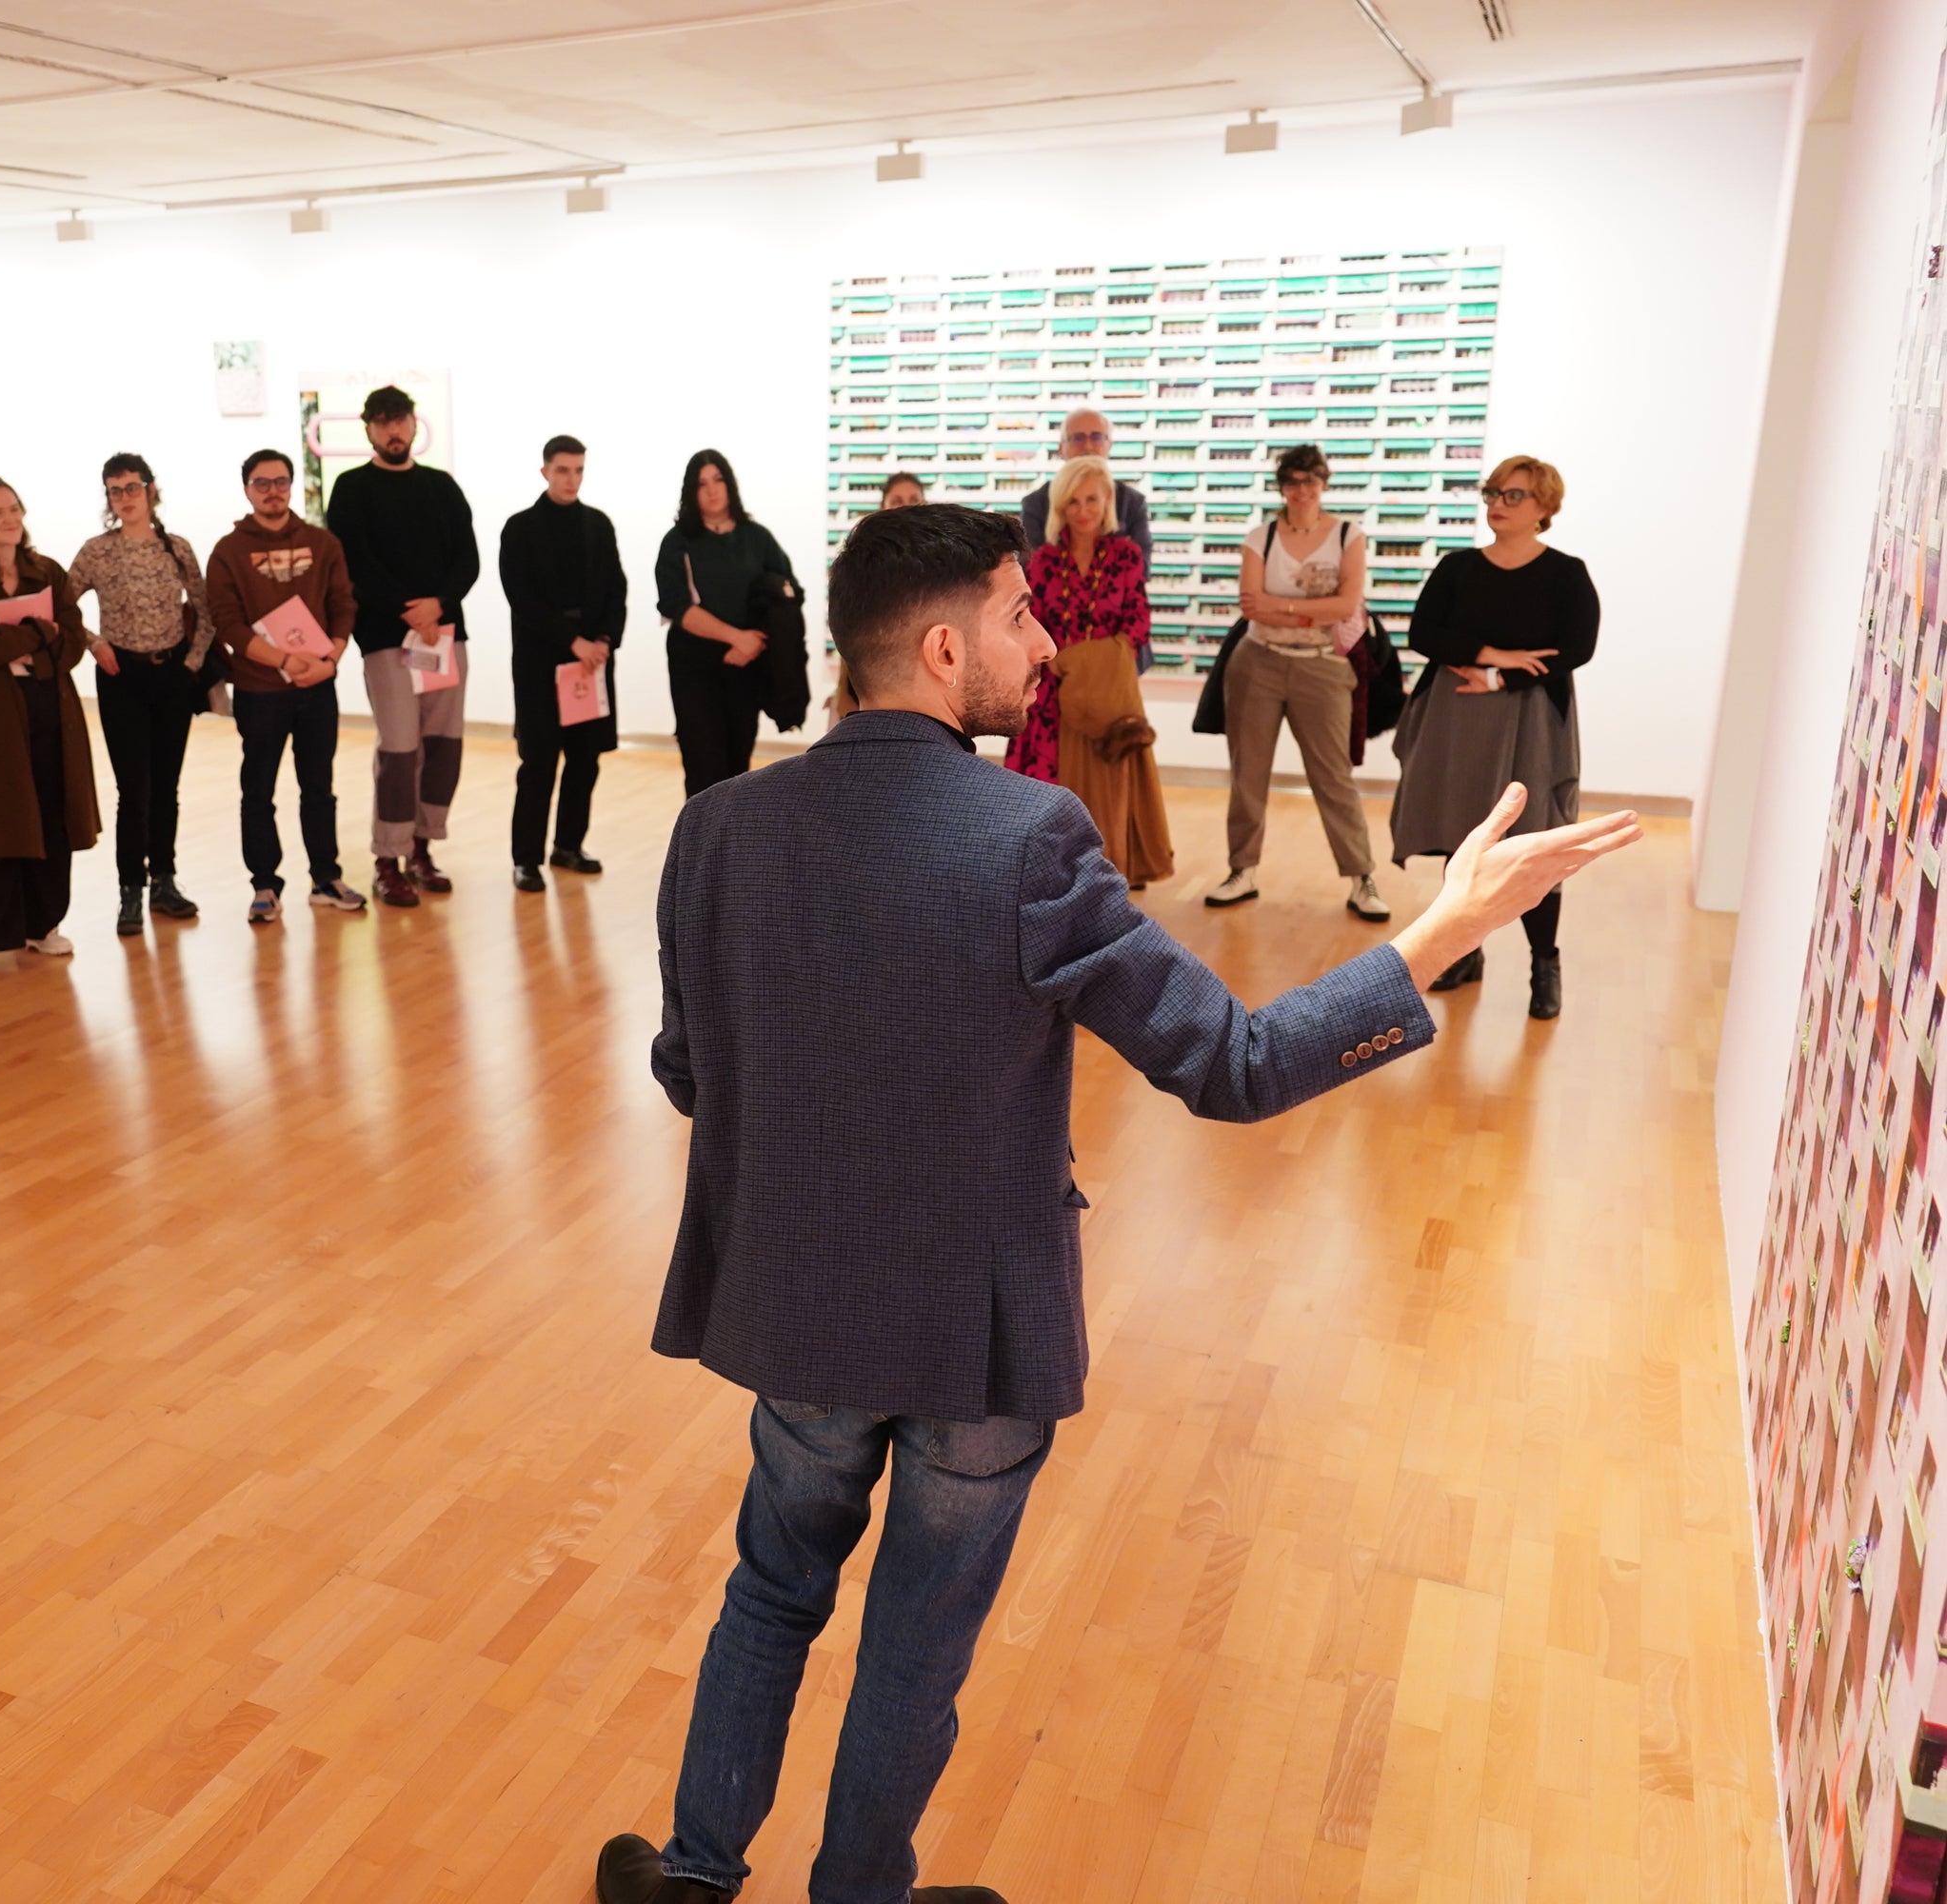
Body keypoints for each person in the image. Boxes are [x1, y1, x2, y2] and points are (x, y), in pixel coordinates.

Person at [595, 502, 1642, 1904]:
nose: (1049, 647)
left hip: (795, 1310)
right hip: (973, 1341)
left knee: (772, 1589)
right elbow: (1235, 1063)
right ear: (947, 646)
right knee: (916, 1642)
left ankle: (696, 1872)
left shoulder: (715, 831)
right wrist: (1444, 927)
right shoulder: (1029, 836)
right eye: (1024, 619)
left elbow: (686, 1073)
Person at [1390, 455, 1600, 1021]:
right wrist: (1492, 657)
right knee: (1464, 831)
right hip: (1458, 716)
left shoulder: (1566, 573)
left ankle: (1544, 963)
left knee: (1536, 839)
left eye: (1513, 495)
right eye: (1492, 493)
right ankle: (1464, 952)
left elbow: (1575, 648)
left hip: (1530, 719)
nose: (1496, 504)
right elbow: (1424, 633)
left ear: (1544, 507)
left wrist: (1499, 677)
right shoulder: (1458, 566)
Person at [1213, 444, 1389, 921]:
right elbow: (1250, 606)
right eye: (1292, 481)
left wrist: (1283, 607)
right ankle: (1241, 870)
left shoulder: (1348, 535)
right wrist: (1313, 611)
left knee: (1333, 775)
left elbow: (1347, 605)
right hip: (1258, 662)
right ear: (1281, 486)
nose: (1302, 491)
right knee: (1248, 772)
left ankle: (1361, 877)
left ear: (1324, 482)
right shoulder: (1260, 536)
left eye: (1310, 480)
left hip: (1324, 665)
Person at [325, 386, 481, 908]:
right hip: (387, 639)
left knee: (442, 746)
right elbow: (355, 564)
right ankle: (386, 859)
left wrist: (438, 604)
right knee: (398, 749)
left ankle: (422, 847)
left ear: (414, 424)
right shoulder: (351, 488)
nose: (394, 431)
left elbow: (468, 559)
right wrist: (408, 609)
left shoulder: (441, 487)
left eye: (401, 421)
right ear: (369, 428)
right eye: (383, 422)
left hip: (444, 635)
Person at [0, 474, 99, 983]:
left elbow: (71, 641)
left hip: (50, 707)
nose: (10, 519)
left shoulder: (46, 570)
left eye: (14, 509)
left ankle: (43, 924)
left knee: (52, 816)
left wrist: (26, 644)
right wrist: (39, 633)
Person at [205, 446, 366, 923]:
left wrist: (330, 660)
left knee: (319, 786)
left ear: (291, 485)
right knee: (258, 790)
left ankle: (325, 878)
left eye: (280, 481)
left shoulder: (323, 543)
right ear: (247, 490)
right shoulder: (228, 552)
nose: (272, 491)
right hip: (260, 690)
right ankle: (264, 886)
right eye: (261, 483)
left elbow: (343, 605)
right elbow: (227, 624)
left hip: (317, 686)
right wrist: (284, 660)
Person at [70, 454, 209, 936]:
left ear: (151, 489)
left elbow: (206, 612)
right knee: (134, 790)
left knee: (166, 787)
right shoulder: (96, 551)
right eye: (115, 490)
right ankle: (130, 891)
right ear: (108, 498)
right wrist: (95, 644)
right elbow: (60, 608)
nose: (125, 497)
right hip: (120, 678)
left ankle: (164, 881)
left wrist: (190, 668)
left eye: (132, 487)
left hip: (170, 676)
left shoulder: (178, 549)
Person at [1014, 455, 1172, 886]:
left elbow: (1137, 623)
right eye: (1073, 501)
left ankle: (1109, 876)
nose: (1083, 510)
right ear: (1060, 506)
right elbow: (1033, 624)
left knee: (1108, 788)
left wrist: (1082, 661)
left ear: (1107, 503)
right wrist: (1061, 663)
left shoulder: (1126, 557)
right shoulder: (1043, 562)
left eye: (1092, 499)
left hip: (1105, 697)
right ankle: (1055, 879)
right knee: (1058, 789)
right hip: (1054, 700)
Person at [499, 434, 626, 891]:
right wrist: (573, 641)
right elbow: (523, 599)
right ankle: (526, 858)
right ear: (545, 472)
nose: (571, 479)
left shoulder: (598, 525)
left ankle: (568, 846)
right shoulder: (519, 528)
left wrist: (604, 641)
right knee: (538, 761)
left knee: (584, 759)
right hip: (541, 663)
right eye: (562, 470)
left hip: (591, 661)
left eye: (578, 471)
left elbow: (616, 587)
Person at [655, 449, 795, 796]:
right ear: (690, 491)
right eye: (702, 483)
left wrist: (754, 642)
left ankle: (731, 848)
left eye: (718, 480)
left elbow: (787, 593)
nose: (712, 490)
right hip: (695, 670)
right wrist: (736, 637)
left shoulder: (757, 538)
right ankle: (699, 849)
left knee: (737, 768)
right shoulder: (678, 542)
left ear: (729, 484)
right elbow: (677, 606)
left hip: (745, 668)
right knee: (703, 769)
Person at [833, 474, 929, 720]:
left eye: (914, 499)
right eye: (897, 500)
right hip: (871, 683)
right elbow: (850, 629)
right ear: (882, 507)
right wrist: (843, 691)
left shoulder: (942, 561)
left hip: (925, 683)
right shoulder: (864, 560)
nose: (906, 507)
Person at [1017, 408, 1153, 562]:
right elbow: (1028, 570)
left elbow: (1141, 570)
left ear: (1110, 445)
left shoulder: (1133, 503)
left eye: (1097, 437)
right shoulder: (1036, 504)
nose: (1088, 446)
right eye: (1078, 438)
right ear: (1061, 447)